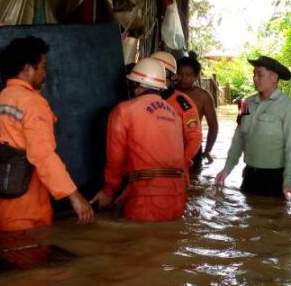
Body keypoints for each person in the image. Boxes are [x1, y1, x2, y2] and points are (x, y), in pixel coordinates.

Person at [0, 35, 93, 231]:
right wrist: (73, 195)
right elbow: (42, 154)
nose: (45, 74)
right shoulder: (32, 103)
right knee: (28, 259)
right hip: (21, 209)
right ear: (27, 69)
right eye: (43, 67)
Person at [91, 58, 187, 221]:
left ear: (137, 86)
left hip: (147, 198)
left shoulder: (124, 110)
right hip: (178, 197)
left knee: (140, 244)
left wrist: (108, 191)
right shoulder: (174, 114)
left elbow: (115, 159)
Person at [215, 56, 291, 203]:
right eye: (254, 74)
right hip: (249, 175)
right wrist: (226, 169)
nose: (255, 78)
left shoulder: (289, 107)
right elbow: (239, 138)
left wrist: (288, 182)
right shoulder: (246, 103)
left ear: (274, 77)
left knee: (272, 221)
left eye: (259, 74)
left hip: (274, 179)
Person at [150, 51, 203, 177]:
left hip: (175, 165)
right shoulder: (139, 99)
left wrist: (182, 163)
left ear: (168, 74)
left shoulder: (182, 103)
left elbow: (194, 137)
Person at [176, 52, 219, 175]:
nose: (183, 78)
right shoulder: (168, 93)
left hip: (193, 147)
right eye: (179, 74)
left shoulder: (204, 96)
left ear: (196, 76)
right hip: (170, 146)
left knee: (193, 184)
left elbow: (213, 126)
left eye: (188, 75)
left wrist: (208, 150)